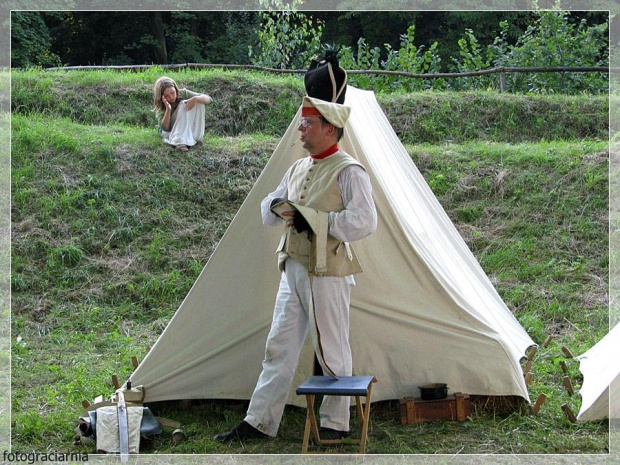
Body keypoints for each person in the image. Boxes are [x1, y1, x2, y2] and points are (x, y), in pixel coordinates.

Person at [214, 89, 377, 443]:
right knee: (279, 345)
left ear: (329, 129)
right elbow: (269, 207)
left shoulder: (349, 171)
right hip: (293, 266)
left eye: (307, 123)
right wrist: (280, 207)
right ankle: (259, 421)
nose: (300, 130)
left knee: (332, 348)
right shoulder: (298, 167)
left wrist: (319, 222)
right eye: (301, 123)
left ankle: (336, 423)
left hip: (328, 272)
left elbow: (365, 220)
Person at [153, 76, 212, 152]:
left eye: (172, 92)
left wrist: (196, 99)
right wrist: (168, 109)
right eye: (167, 96)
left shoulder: (182, 93)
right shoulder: (161, 105)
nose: (171, 97)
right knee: (183, 104)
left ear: (175, 89)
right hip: (170, 133)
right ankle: (179, 141)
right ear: (161, 97)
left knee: (199, 102)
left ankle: (195, 138)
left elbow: (209, 99)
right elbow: (165, 128)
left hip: (185, 128)